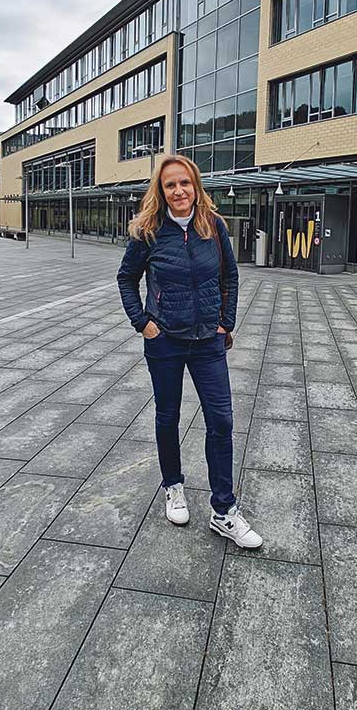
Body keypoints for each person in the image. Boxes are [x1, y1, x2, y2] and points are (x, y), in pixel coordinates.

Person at [117, 155, 262, 549]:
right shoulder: (148, 231)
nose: (179, 191)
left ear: (195, 186)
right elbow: (126, 279)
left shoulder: (213, 226)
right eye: (170, 185)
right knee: (168, 416)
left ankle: (224, 511)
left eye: (185, 183)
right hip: (164, 340)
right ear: (161, 191)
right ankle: (173, 486)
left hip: (207, 341)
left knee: (221, 421)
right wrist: (143, 323)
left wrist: (225, 322)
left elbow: (230, 275)